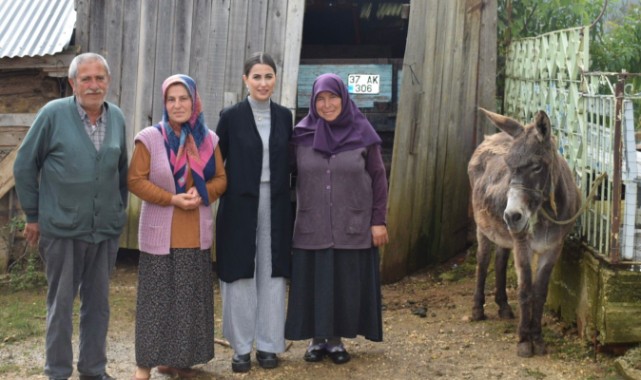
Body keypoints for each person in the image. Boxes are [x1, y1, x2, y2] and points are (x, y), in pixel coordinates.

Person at [13, 52, 127, 380]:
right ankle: (57, 372)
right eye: (86, 79)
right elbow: (23, 164)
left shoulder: (116, 117)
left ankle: (94, 370)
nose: (93, 85)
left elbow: (121, 171)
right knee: (60, 306)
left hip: (103, 230)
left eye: (100, 78)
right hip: (61, 228)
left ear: (108, 81)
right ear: (73, 83)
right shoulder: (53, 114)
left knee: (98, 305)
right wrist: (33, 215)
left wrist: (116, 212)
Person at [285, 73, 389, 364]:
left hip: (352, 222)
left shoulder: (362, 133)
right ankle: (317, 341)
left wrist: (378, 220)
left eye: (333, 97)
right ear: (313, 101)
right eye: (321, 98)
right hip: (312, 223)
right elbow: (282, 172)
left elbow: (379, 178)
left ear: (344, 99)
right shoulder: (301, 136)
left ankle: (337, 341)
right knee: (315, 281)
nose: (327, 104)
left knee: (344, 282)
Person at [127, 74, 227, 380]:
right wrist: (171, 198)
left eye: (184, 98)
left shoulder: (209, 140)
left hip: (195, 234)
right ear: (164, 103)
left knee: (188, 304)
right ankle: (144, 367)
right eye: (171, 99)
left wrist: (203, 193)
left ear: (194, 102)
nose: (177, 104)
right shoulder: (150, 138)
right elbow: (134, 181)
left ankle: (177, 364)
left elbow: (221, 179)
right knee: (155, 304)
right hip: (160, 234)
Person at [215, 52, 293, 373]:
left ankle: (269, 344)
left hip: (275, 202)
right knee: (239, 273)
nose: (263, 83)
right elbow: (215, 162)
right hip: (238, 204)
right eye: (257, 77)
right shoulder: (231, 116)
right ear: (245, 79)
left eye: (269, 76)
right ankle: (241, 347)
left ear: (276, 80)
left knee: (272, 273)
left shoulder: (285, 116)